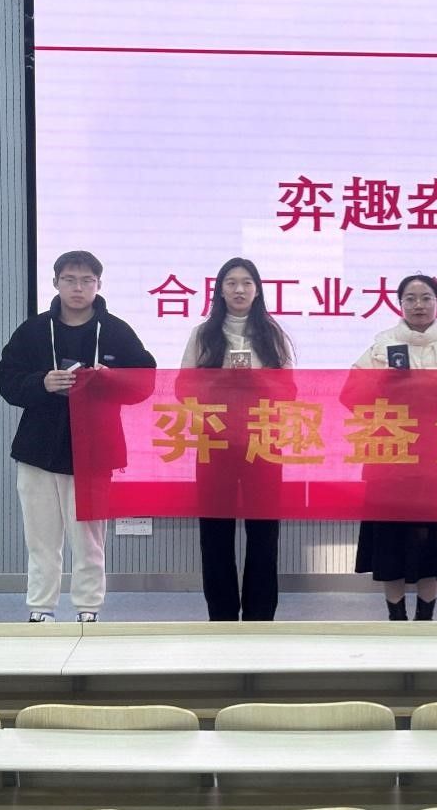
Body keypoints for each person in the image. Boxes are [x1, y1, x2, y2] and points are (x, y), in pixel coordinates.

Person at [0, 250, 156, 623]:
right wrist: (42, 382)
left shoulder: (116, 331)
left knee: (89, 540)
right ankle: (41, 608)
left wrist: (111, 380)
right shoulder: (33, 330)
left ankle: (88, 608)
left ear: (99, 284)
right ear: (56, 283)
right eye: (69, 279)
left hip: (95, 453)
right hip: (38, 450)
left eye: (86, 280)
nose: (78, 288)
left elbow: (145, 381)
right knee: (41, 538)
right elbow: (6, 380)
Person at [348, 274, 437, 621]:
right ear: (399, 304)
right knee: (389, 541)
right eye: (410, 298)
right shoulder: (381, 348)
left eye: (426, 298)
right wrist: (380, 385)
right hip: (389, 459)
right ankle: (396, 617)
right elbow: (350, 396)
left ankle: (425, 618)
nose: (418, 305)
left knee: (433, 543)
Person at [181, 258, 294, 621]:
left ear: (257, 290)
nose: (239, 289)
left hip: (263, 441)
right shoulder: (203, 334)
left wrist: (258, 383)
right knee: (215, 533)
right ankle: (222, 615)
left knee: (264, 534)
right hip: (214, 443)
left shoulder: (272, 334)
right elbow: (183, 388)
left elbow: (290, 391)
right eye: (231, 283)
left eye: (247, 283)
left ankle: (261, 616)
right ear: (220, 290)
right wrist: (220, 382)